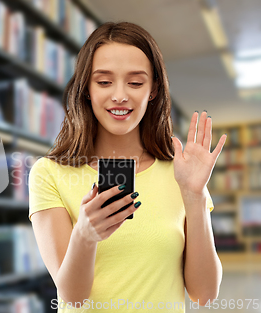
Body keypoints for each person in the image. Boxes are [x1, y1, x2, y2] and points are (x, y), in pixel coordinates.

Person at [28, 21, 226, 313]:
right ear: (86, 89)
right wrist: (85, 234)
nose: (119, 95)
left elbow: (205, 294)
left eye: (135, 82)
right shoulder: (50, 173)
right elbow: (72, 297)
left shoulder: (181, 173)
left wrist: (194, 196)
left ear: (153, 89)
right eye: (104, 82)